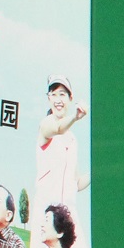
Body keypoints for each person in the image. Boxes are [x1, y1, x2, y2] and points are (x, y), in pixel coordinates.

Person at [35, 77, 89, 229]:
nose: (58, 99)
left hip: (69, 217)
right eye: (54, 94)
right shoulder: (45, 124)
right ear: (48, 98)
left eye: (62, 94)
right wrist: (75, 117)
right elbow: (58, 128)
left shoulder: (72, 139)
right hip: (46, 217)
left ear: (70, 98)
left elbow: (76, 183)